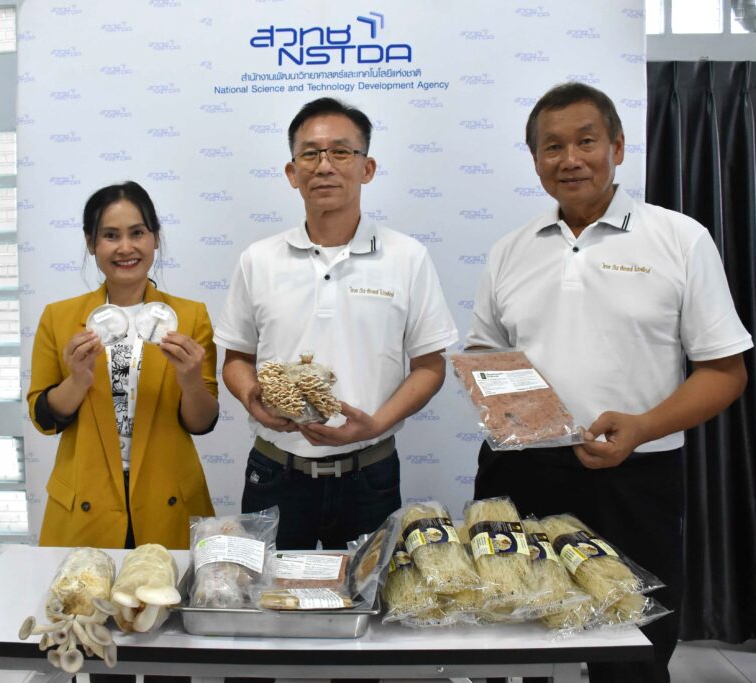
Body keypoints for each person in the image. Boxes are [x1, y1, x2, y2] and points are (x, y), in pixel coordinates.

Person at [465, 82, 753, 683]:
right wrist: (513, 408)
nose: (570, 159)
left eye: (586, 142)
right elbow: (486, 355)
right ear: (535, 160)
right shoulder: (509, 251)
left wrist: (643, 427)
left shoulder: (680, 238)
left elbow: (725, 371)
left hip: (635, 477)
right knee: (509, 641)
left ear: (618, 148)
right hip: (519, 473)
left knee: (633, 651)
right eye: (552, 147)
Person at [214, 97, 458, 551]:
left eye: (341, 152)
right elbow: (236, 359)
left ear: (367, 168)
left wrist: (375, 424)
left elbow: (430, 366)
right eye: (310, 154)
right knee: (272, 591)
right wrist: (252, 398)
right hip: (275, 471)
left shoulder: (407, 257)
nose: (324, 165)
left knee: (370, 593)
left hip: (370, 474)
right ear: (292, 173)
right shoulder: (259, 259)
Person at [27, 181, 218, 552]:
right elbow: (43, 418)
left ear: (155, 238)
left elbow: (202, 422)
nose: (126, 247)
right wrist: (78, 380)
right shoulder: (58, 317)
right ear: (91, 243)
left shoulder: (190, 316)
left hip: (168, 498)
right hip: (85, 501)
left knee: (165, 589)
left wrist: (190, 380)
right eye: (110, 235)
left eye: (137, 233)